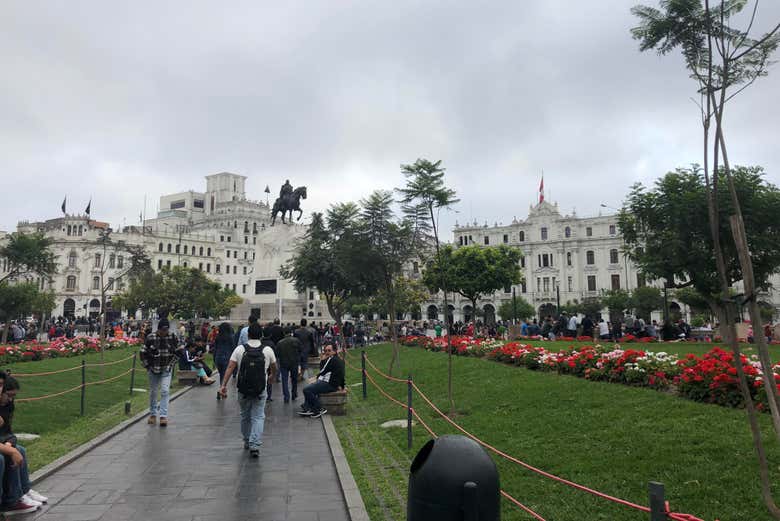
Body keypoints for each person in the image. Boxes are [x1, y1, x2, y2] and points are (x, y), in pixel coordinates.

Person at [219, 323, 277, 458]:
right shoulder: (267, 350)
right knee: (258, 416)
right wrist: (272, 376)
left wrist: (223, 385)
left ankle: (247, 440)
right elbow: (274, 366)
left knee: (245, 415)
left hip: (243, 389)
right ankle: (255, 445)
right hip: (260, 389)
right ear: (261, 335)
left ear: (248, 334)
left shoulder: (240, 349)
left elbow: (230, 368)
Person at [0, 375, 48, 515]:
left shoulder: (7, 407)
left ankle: (21, 493)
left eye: (1, 384)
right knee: (4, 457)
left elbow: (7, 432)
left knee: (19, 449)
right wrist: (10, 450)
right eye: (9, 395)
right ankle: (10, 500)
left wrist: (9, 444)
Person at [140, 319, 183, 427]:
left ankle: (163, 416)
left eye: (166, 330)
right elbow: (143, 352)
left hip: (166, 368)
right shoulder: (151, 337)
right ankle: (153, 414)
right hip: (153, 368)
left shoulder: (172, 337)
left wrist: (171, 364)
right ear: (158, 329)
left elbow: (179, 351)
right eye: (162, 330)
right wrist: (147, 366)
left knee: (165, 391)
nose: (164, 332)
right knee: (154, 392)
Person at [298, 344, 345, 419]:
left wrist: (315, 378)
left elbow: (323, 371)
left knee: (307, 390)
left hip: (330, 384)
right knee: (311, 387)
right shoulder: (334, 359)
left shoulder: (333, 360)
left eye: (329, 350)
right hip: (330, 383)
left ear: (334, 351)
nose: (327, 352)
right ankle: (308, 408)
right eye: (325, 351)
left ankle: (319, 408)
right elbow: (325, 370)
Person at [276, 328, 302, 403]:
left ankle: (286, 397)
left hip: (284, 363)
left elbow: (277, 354)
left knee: (284, 380)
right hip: (294, 363)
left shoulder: (280, 342)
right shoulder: (296, 340)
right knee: (294, 380)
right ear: (291, 332)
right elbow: (300, 350)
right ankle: (294, 394)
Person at [213, 322, 235, 399]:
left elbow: (215, 349)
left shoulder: (217, 337)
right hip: (227, 358)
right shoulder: (231, 337)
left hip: (218, 358)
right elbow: (233, 348)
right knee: (224, 375)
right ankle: (221, 391)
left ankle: (222, 390)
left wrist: (214, 359)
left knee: (222, 375)